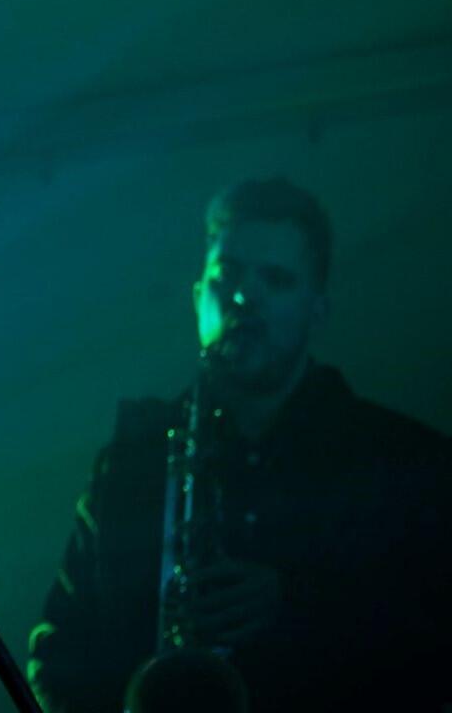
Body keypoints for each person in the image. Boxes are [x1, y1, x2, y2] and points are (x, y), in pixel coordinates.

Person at [27, 178, 452, 713]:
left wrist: (301, 604)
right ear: (197, 296)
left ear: (317, 309)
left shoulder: (403, 461)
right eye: (227, 275)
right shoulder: (133, 463)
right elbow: (60, 650)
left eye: (275, 279)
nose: (244, 297)